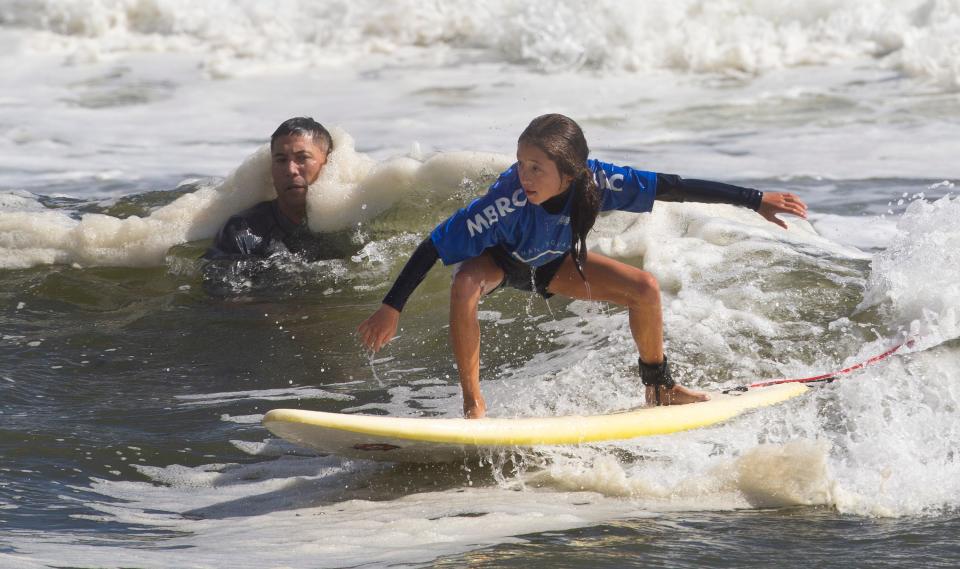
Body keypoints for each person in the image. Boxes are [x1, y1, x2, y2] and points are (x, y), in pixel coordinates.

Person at [357, 114, 808, 419]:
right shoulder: (505, 201)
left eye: (536, 168)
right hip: (501, 260)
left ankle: (661, 387)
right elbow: (434, 245)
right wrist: (391, 306)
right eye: (520, 164)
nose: (524, 176)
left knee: (645, 288)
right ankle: (474, 405)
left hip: (553, 262)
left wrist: (755, 200)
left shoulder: (600, 180)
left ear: (569, 173)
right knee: (464, 284)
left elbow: (673, 187)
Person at [204, 116, 351, 261]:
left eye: (302, 158)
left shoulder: (351, 222)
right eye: (281, 160)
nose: (290, 169)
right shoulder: (242, 232)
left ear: (329, 163)